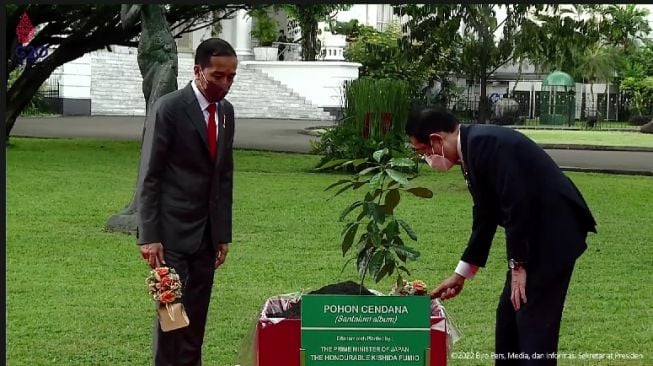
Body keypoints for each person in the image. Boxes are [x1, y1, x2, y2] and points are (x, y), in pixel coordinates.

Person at [405, 107, 597, 365]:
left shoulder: (487, 144)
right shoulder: (472, 150)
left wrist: (518, 265)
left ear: (437, 140)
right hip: (532, 237)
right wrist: (462, 273)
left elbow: (516, 204)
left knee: (533, 325)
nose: (427, 159)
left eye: (424, 152)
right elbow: (485, 216)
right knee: (509, 321)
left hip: (553, 236)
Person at [136, 37, 238, 366]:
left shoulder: (226, 112)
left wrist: (222, 233)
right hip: (170, 236)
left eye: (231, 77)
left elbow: (223, 176)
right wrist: (149, 236)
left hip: (206, 237)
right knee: (172, 319)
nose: (225, 84)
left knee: (196, 320)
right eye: (218, 76)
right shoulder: (170, 108)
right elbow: (150, 174)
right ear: (197, 71)